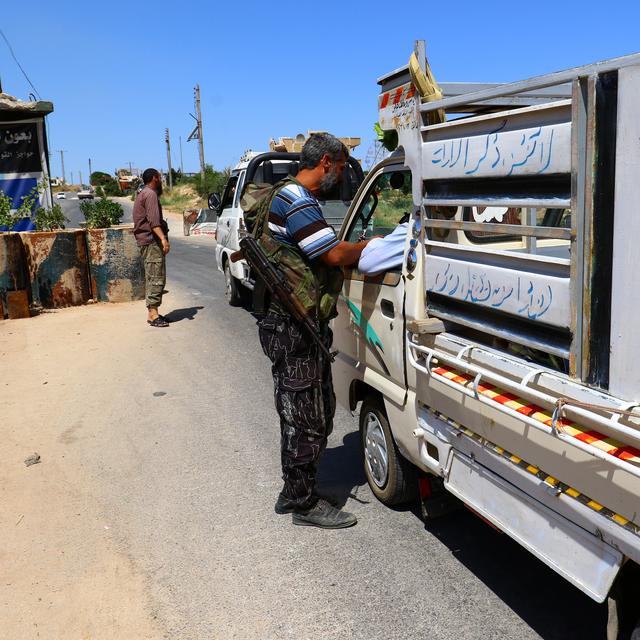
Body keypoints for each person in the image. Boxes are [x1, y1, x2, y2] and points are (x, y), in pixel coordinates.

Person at [257, 133, 371, 529]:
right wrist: (372, 246)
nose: (339, 177)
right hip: (294, 325)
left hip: (288, 321)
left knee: (305, 408)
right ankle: (302, 503)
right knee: (305, 414)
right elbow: (335, 254)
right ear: (325, 162)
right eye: (339, 169)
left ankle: (295, 490)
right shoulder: (297, 201)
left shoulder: (280, 195)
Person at [133, 168, 170, 327]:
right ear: (154, 178)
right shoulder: (151, 194)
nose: (161, 180)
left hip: (146, 241)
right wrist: (163, 239)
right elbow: (154, 222)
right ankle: (153, 314)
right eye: (160, 177)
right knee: (156, 277)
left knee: (152, 275)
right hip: (151, 241)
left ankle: (152, 311)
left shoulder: (144, 193)